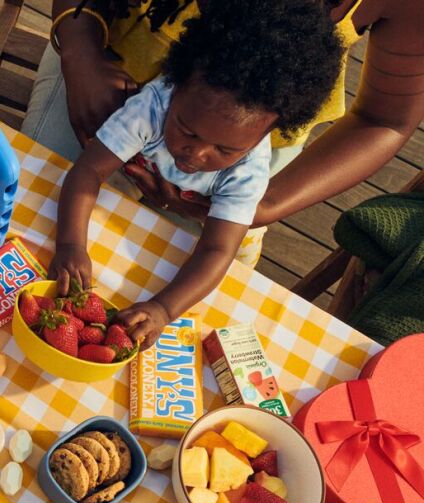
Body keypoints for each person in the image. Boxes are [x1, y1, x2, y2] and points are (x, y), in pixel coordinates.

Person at [51, 0, 344, 346]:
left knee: (221, 298)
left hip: (218, 227)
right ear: (174, 87)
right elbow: (88, 172)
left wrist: (163, 308)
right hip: (140, 173)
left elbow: (217, 251)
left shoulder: (249, 170)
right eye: (188, 131)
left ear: (266, 136)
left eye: (225, 150)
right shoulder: (152, 105)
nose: (197, 154)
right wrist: (71, 244)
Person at [27, 0, 424, 249]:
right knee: (28, 220)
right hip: (99, 75)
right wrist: (80, 53)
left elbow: (383, 120)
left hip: (242, 152)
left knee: (174, 294)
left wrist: (265, 204)